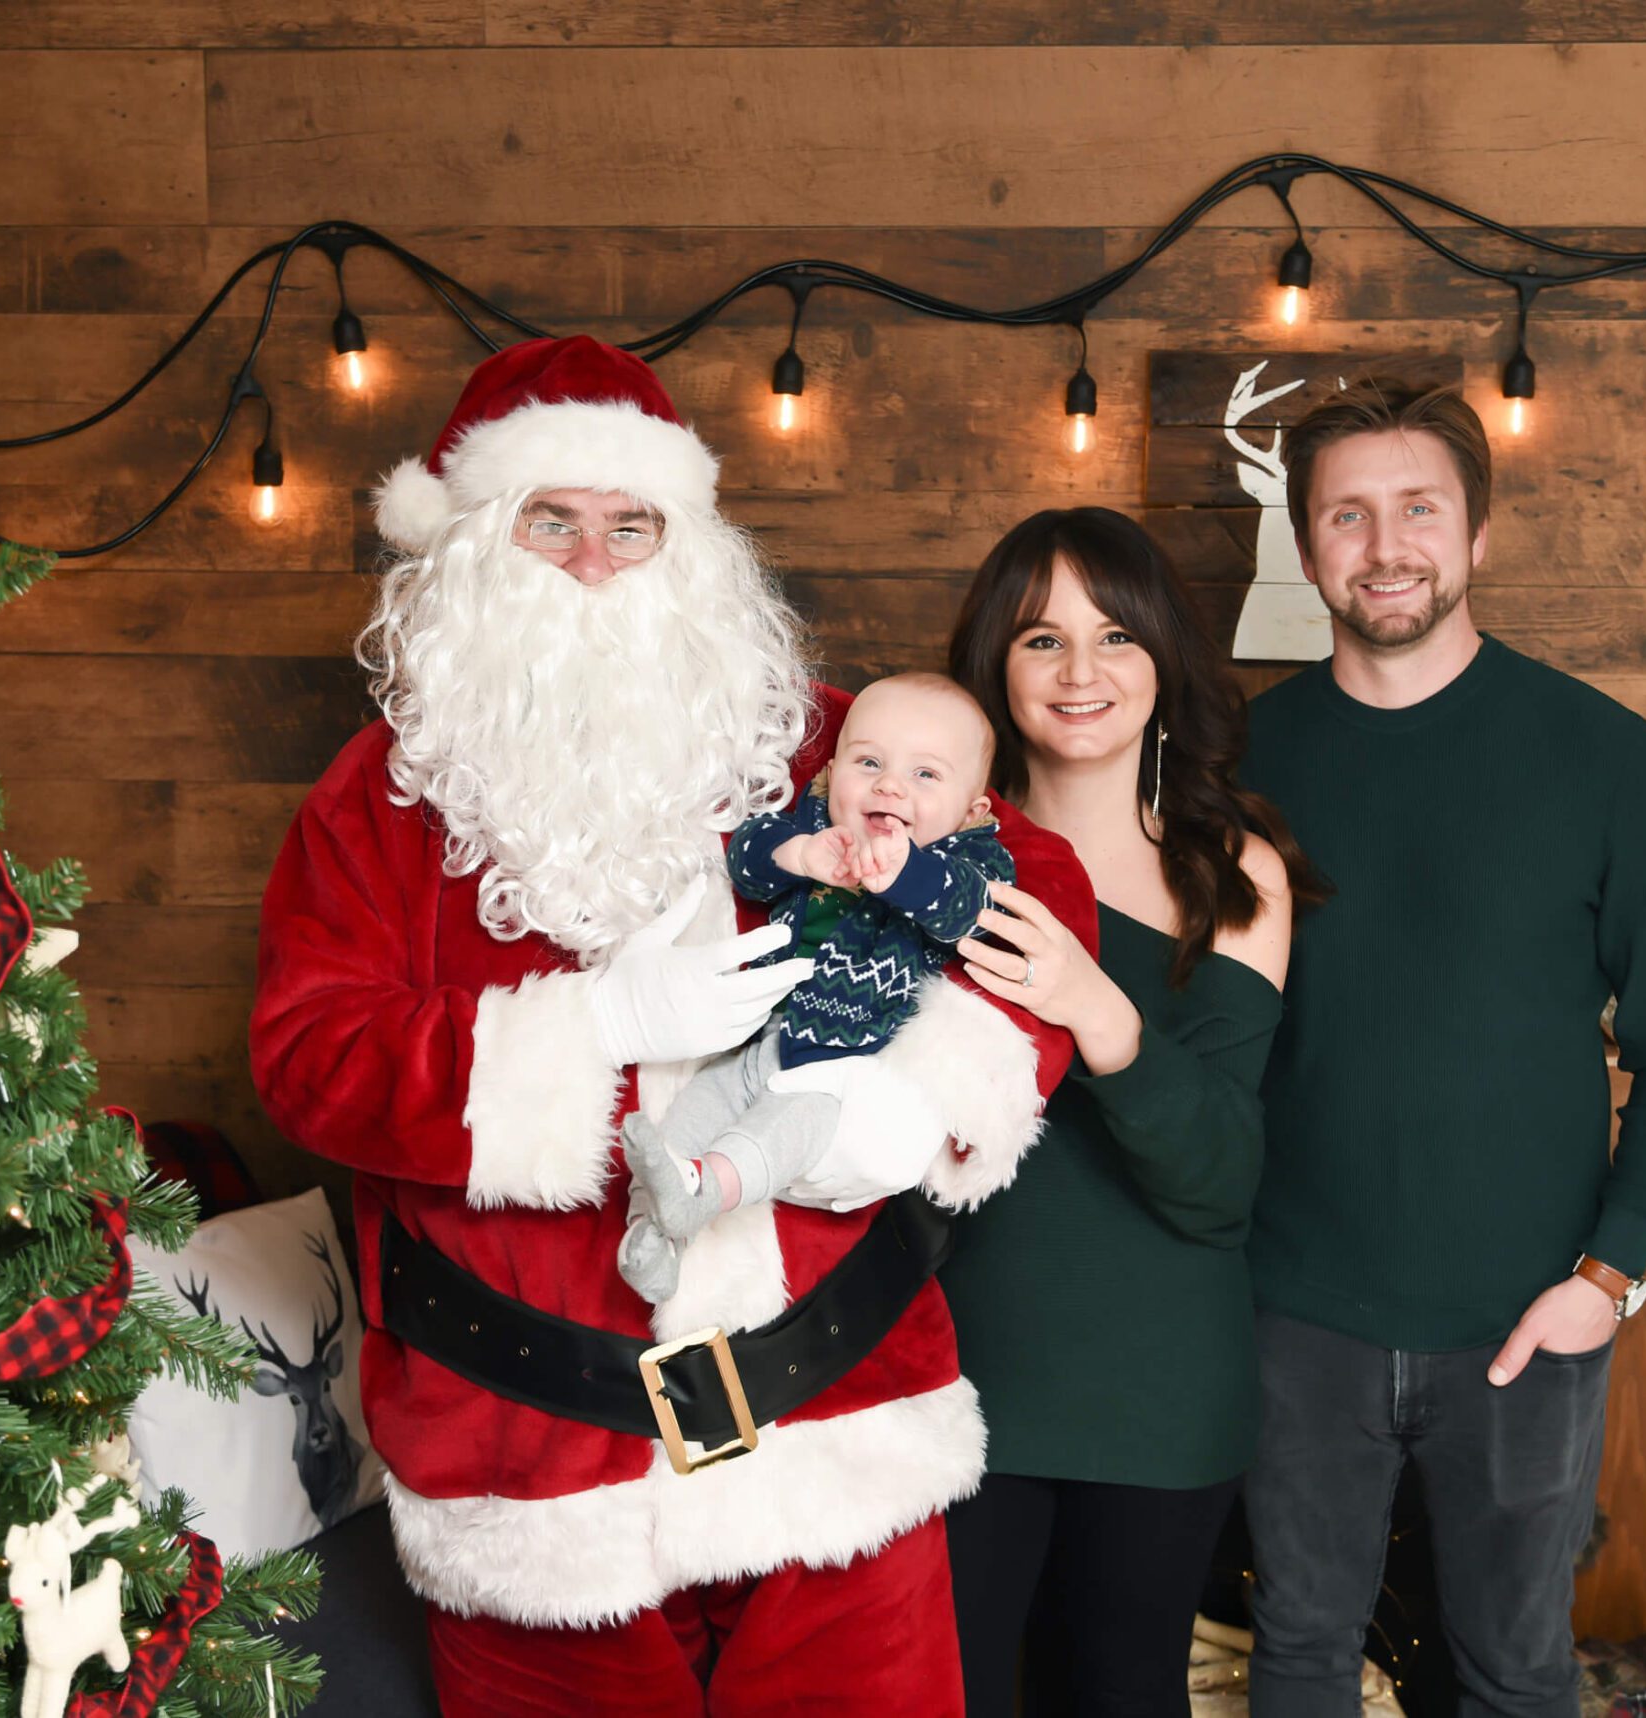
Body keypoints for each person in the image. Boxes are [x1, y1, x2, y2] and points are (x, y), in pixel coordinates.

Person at [248, 335, 1095, 1716]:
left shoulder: (817, 743)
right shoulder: (374, 805)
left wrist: (922, 1093)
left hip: (836, 1427)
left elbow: (1031, 878)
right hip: (531, 1471)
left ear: (686, 546)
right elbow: (309, 1057)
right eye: (552, 521)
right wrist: (589, 1033)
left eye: (631, 525)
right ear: (473, 543)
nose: (594, 562)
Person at [1235, 380, 1646, 1718]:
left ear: (1478, 533)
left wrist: (1608, 1272)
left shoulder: (1603, 754)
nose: (1384, 542)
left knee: (1513, 1672)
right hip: (1297, 1316)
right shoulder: (1246, 756)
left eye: (1417, 508)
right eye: (1348, 512)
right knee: (1297, 1653)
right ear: (1308, 542)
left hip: (1529, 1321)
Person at [936, 507, 1318, 1717]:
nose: (1082, 672)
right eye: (1042, 639)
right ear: (996, 663)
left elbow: (1215, 1175)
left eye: (1114, 635)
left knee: (1119, 1693)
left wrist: (1091, 1003)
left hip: (1157, 1387)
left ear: (1162, 659)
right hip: (952, 1376)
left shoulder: (1231, 865)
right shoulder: (935, 847)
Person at [619, 672, 1015, 1302]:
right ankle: (650, 1234)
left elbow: (968, 913)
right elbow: (746, 858)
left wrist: (905, 872)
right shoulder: (814, 822)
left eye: (925, 775)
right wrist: (799, 855)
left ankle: (706, 1192)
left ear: (972, 811)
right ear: (834, 773)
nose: (890, 785)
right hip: (760, 1031)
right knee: (697, 1109)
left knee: (787, 1124)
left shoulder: (970, 862)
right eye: (870, 762)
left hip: (843, 1058)